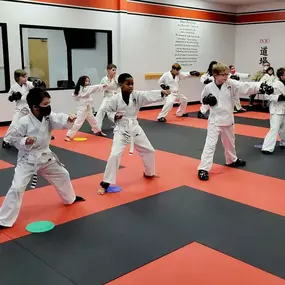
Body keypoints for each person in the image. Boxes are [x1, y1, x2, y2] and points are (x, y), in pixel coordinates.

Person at [0, 88, 85, 229]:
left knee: (63, 174)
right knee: (16, 187)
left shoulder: (48, 116)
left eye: (49, 103)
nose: (48, 107)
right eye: (45, 104)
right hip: (28, 160)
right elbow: (14, 139)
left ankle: (70, 199)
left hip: (45, 157)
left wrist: (68, 119)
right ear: (35, 107)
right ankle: (3, 220)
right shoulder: (23, 122)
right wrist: (25, 141)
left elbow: (59, 118)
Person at [97, 73, 171, 195]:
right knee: (115, 155)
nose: (131, 86)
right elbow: (108, 111)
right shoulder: (114, 99)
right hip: (121, 129)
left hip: (135, 127)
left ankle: (149, 173)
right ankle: (105, 183)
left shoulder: (136, 95)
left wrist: (162, 93)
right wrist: (115, 116)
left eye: (132, 84)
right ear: (120, 85)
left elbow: (148, 95)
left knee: (149, 150)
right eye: (128, 84)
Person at [197, 63, 264, 181]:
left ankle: (232, 160)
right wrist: (206, 102)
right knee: (210, 145)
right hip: (214, 120)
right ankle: (203, 168)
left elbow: (245, 86)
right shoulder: (208, 87)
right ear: (215, 75)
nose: (225, 76)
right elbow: (203, 99)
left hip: (228, 119)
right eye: (223, 74)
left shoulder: (230, 84)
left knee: (230, 143)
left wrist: (261, 86)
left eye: (227, 74)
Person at [65, 76, 107, 142]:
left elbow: (77, 97)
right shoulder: (83, 89)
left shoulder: (84, 89)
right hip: (82, 109)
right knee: (78, 123)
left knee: (93, 121)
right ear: (82, 82)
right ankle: (68, 135)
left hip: (88, 108)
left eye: (89, 81)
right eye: (86, 81)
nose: (88, 82)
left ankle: (98, 131)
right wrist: (102, 86)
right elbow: (94, 87)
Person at [2, 69, 35, 148]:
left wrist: (37, 83)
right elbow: (9, 98)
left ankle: (42, 138)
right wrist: (13, 96)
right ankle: (6, 141)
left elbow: (34, 86)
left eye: (26, 76)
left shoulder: (28, 84)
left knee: (36, 123)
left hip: (29, 108)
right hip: (20, 109)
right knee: (14, 125)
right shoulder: (14, 87)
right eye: (23, 77)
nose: (25, 78)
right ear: (17, 78)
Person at [261, 67, 285, 154]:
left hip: (284, 108)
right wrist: (278, 97)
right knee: (274, 128)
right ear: (281, 76)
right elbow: (266, 96)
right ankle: (267, 147)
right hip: (276, 109)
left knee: (284, 129)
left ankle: (283, 142)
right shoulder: (275, 84)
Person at [95, 64, 120, 130]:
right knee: (101, 109)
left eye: (115, 70)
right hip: (107, 96)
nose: (115, 72)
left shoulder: (117, 78)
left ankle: (120, 125)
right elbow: (100, 88)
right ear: (108, 70)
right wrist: (103, 88)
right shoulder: (104, 79)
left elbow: (121, 86)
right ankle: (97, 127)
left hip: (115, 96)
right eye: (113, 70)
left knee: (118, 111)